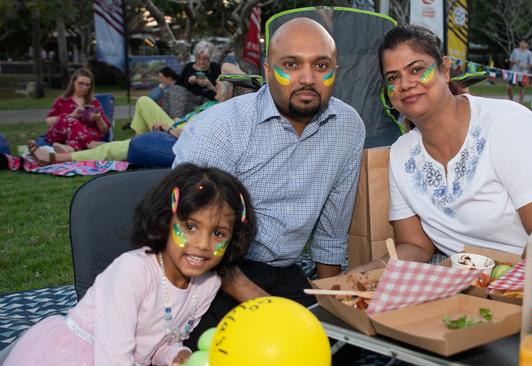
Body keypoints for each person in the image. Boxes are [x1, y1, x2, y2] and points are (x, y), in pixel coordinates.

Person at [350, 25, 532, 292]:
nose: (406, 84)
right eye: (393, 78)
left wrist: (497, 295)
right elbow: (414, 246)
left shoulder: (509, 126)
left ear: (445, 69)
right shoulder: (401, 154)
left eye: (417, 69)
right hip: (471, 273)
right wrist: (360, 277)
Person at [172, 17, 366, 348]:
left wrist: (333, 306)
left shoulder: (348, 126)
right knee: (238, 351)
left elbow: (331, 232)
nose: (307, 78)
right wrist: (266, 307)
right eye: (290, 64)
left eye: (321, 65)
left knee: (336, 348)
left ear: (336, 70)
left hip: (283, 271)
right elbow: (186, 237)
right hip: (210, 272)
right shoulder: (220, 129)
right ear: (266, 70)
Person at [3, 163, 257, 365]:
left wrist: (174, 355)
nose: (203, 244)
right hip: (83, 356)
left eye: (218, 233)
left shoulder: (207, 284)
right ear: (164, 221)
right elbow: (113, 355)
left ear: (233, 238)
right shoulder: (132, 271)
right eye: (190, 227)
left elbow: (163, 339)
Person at [29, 77, 259, 166]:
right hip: (173, 129)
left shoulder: (220, 111)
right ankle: (128, 143)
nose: (214, 87)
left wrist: (168, 128)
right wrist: (172, 124)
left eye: (219, 86)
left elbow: (197, 136)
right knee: (144, 103)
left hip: (177, 139)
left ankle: (59, 157)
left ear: (228, 92)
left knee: (122, 146)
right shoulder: (212, 105)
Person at [37, 68, 110, 153]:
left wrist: (98, 119)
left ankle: (70, 149)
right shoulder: (63, 100)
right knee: (67, 118)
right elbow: (48, 121)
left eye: (87, 85)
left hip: (79, 137)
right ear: (73, 82)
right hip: (63, 135)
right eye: (81, 83)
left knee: (76, 136)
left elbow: (105, 130)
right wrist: (72, 115)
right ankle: (89, 143)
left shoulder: (94, 102)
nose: (84, 87)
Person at [172, 41, 242, 117]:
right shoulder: (188, 67)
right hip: (190, 102)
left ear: (211, 58)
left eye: (205, 59)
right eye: (199, 58)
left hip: (208, 103)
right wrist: (189, 82)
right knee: (177, 89)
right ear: (195, 56)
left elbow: (223, 94)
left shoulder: (216, 68)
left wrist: (209, 85)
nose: (201, 62)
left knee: (209, 102)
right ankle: (176, 119)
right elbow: (177, 88)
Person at [506, 39, 532, 103]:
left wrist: (525, 66)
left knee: (521, 88)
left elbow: (531, 64)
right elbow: (510, 60)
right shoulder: (515, 51)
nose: (522, 44)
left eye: (524, 43)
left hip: (523, 73)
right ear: (519, 43)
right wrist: (515, 61)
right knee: (508, 87)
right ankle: (511, 101)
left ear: (527, 44)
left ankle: (520, 103)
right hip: (514, 72)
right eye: (521, 42)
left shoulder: (529, 53)